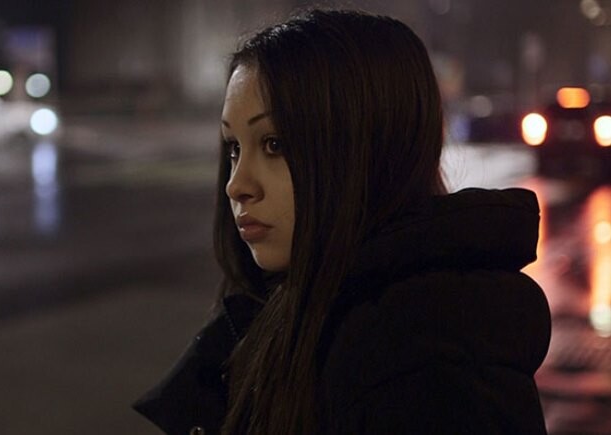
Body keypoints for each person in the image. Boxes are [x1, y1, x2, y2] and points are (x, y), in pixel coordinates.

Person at [133, 9, 551, 434]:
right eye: (234, 147)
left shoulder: (426, 365)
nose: (236, 185)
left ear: (364, 151)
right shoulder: (282, 311)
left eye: (274, 144)